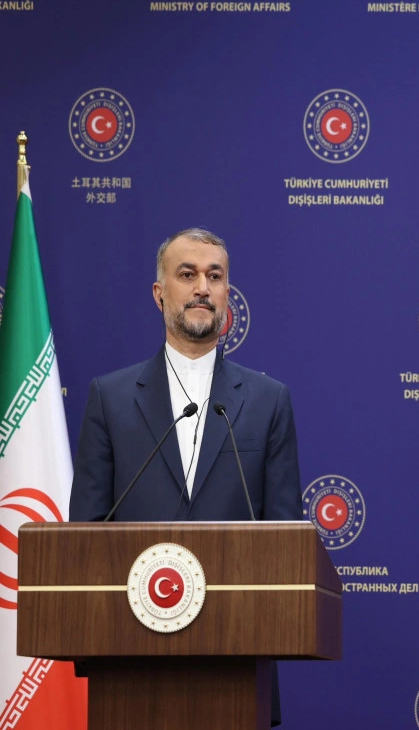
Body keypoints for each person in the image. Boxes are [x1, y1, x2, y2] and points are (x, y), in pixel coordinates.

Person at [69, 227, 302, 726]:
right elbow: (85, 537)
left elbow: (286, 543)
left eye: (214, 277)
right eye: (187, 274)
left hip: (238, 660)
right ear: (159, 294)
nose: (202, 287)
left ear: (226, 294)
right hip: (129, 664)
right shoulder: (110, 398)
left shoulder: (268, 401)